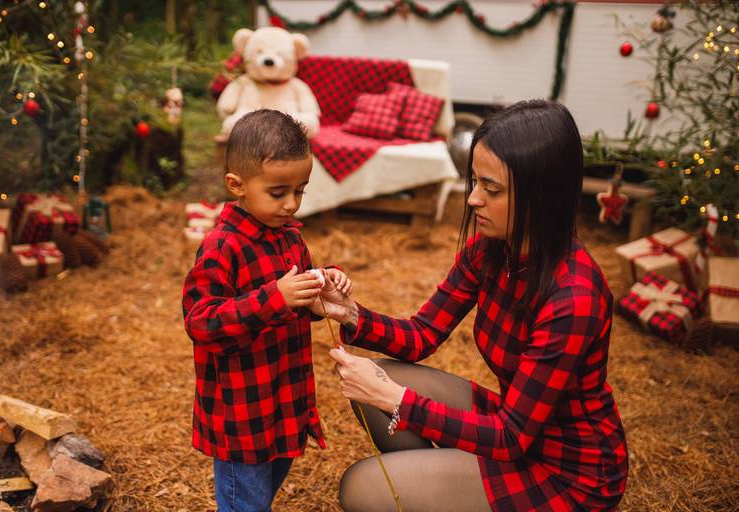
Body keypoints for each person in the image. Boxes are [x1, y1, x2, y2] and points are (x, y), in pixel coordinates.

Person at [313, 100, 628, 512]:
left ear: (542, 195)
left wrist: (397, 401)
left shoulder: (574, 298)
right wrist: (351, 313)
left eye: (492, 189)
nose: (474, 199)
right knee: (378, 377)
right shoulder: (492, 250)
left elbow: (511, 437)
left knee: (360, 487)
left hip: (568, 473)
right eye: (474, 181)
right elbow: (421, 335)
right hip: (517, 428)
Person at [182, 109, 352, 512]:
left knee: (264, 492)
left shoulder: (289, 238)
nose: (292, 204)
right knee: (247, 503)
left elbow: (299, 304)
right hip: (242, 411)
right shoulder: (222, 247)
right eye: (278, 193)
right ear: (236, 185)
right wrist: (274, 297)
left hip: (283, 397)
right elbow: (201, 322)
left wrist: (323, 286)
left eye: (300, 191)